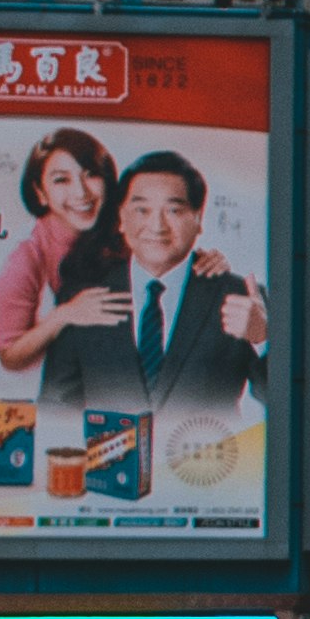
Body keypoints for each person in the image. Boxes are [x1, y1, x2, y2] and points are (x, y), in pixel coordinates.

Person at [44, 147, 271, 426]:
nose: (157, 225)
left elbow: (282, 402)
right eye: (142, 209)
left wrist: (263, 339)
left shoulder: (241, 298)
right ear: (121, 218)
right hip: (107, 464)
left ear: (198, 218)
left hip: (204, 465)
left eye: (173, 210)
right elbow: (55, 407)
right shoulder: (82, 300)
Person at [0, 123, 129, 371]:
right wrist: (64, 315)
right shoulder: (26, 258)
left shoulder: (124, 228)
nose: (81, 192)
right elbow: (10, 356)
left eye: (91, 174)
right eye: (61, 180)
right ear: (40, 192)